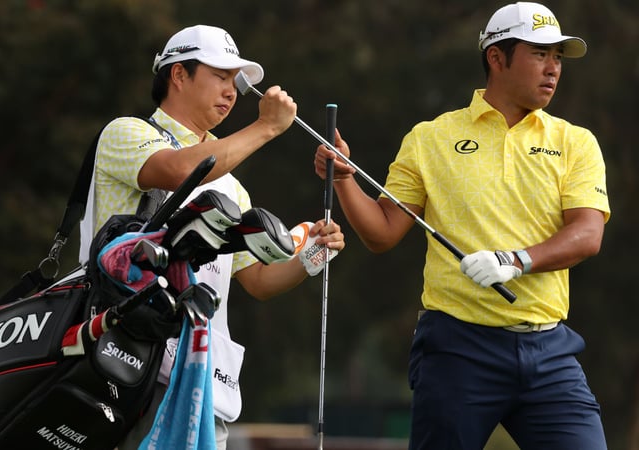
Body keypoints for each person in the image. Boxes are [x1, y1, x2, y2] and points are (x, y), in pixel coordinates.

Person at [314, 2, 609, 449]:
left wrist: (516, 261)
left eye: (558, 58)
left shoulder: (575, 142)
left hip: (549, 351)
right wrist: (345, 180)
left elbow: (587, 235)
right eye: (539, 54)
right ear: (496, 57)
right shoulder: (431, 138)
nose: (552, 69)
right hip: (458, 349)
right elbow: (383, 232)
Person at [80, 24, 345, 449]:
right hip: (124, 365)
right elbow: (179, 170)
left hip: (198, 379)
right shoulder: (126, 133)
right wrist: (266, 128)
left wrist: (315, 255)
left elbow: (257, 280)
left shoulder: (231, 185)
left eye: (234, 82)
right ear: (178, 75)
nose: (231, 91)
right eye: (220, 76)